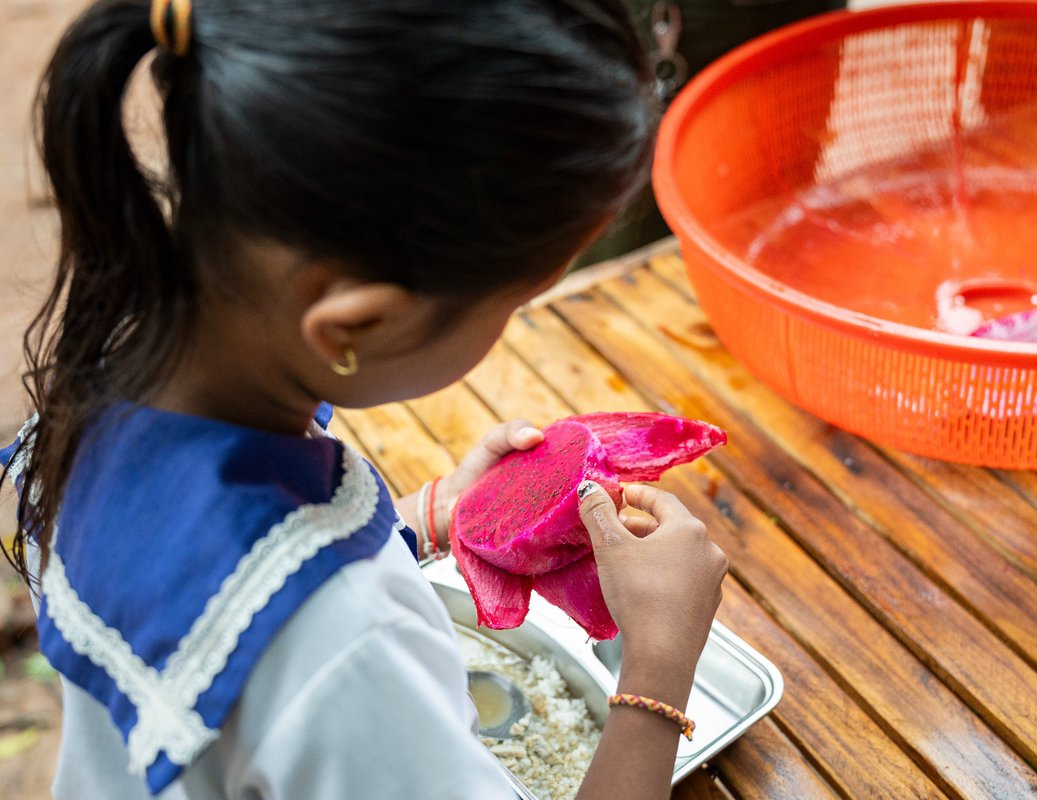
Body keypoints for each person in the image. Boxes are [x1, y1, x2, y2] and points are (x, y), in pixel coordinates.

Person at [0, 0, 729, 797]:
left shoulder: (110, 369)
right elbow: (316, 646)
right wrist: (658, 669)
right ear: (356, 324)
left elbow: (197, 576)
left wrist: (428, 519)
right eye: (514, 301)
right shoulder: (348, 645)